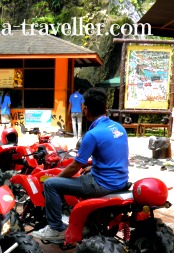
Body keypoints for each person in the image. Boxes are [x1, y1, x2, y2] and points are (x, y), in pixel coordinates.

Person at [31, 88, 129, 241]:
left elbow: (74, 166)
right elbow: (114, 156)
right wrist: (93, 167)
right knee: (83, 174)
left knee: (51, 184)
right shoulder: (119, 128)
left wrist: (59, 178)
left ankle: (55, 228)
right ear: (105, 108)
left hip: (101, 184)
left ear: (86, 110)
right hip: (120, 180)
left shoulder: (92, 135)